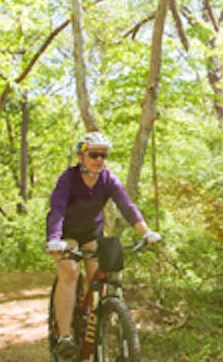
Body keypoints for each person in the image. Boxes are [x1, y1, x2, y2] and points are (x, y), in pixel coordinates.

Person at [46, 131, 161, 357]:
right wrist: (54, 239)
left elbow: (127, 207)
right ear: (81, 157)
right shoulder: (68, 178)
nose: (99, 160)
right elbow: (57, 210)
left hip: (91, 233)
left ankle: (99, 322)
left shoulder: (108, 179)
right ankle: (65, 335)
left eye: (103, 155)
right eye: (94, 155)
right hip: (65, 233)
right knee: (69, 272)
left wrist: (146, 232)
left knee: (99, 277)